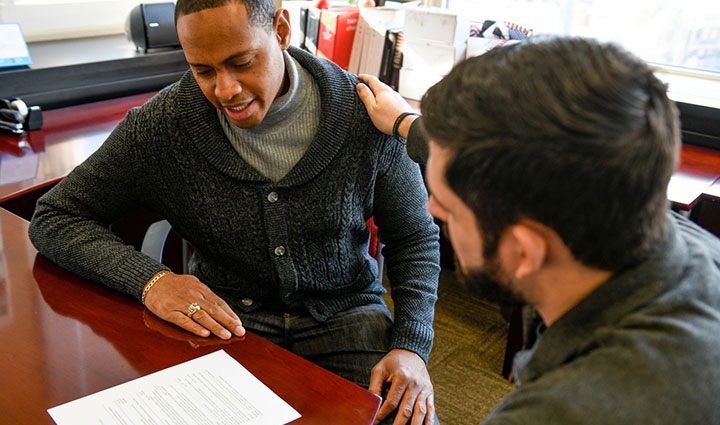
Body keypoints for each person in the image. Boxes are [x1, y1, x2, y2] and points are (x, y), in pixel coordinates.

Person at [28, 1, 442, 424]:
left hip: (346, 315)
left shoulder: (366, 113)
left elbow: (414, 238)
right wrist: (152, 281)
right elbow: (57, 215)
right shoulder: (163, 126)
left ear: (281, 31)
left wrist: (411, 345)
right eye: (203, 71)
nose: (225, 90)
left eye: (241, 62)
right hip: (226, 320)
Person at [357, 37, 720, 424]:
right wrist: (404, 123)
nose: (432, 208)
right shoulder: (647, 220)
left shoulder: (557, 410)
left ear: (525, 251)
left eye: (449, 204)